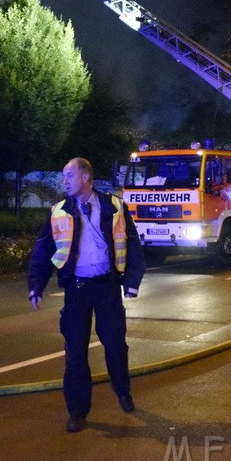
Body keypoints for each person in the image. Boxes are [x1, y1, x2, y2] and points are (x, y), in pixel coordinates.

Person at [28, 157, 146, 433]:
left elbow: (132, 243)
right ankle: (78, 410)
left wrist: (131, 281)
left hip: (107, 287)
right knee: (75, 352)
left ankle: (123, 391)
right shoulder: (59, 211)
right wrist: (36, 284)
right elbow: (43, 250)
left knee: (116, 345)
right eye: (64, 176)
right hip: (77, 289)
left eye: (69, 175)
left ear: (85, 177)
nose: (64, 181)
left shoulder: (114, 206)